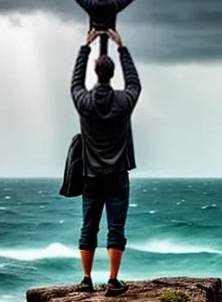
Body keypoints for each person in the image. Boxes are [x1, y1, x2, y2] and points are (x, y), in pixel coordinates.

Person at [69, 28, 141, 296]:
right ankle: (112, 281)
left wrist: (84, 49)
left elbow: (75, 83)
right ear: (111, 75)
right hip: (118, 175)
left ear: (96, 74)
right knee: (116, 228)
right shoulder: (123, 102)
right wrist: (122, 48)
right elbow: (134, 83)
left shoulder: (84, 101)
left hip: (91, 175)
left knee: (89, 227)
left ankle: (86, 279)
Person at [58, 0, 148, 56]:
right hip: (110, 31)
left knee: (101, 57)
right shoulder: (114, 3)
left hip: (94, 31)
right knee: (104, 55)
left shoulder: (90, 2)